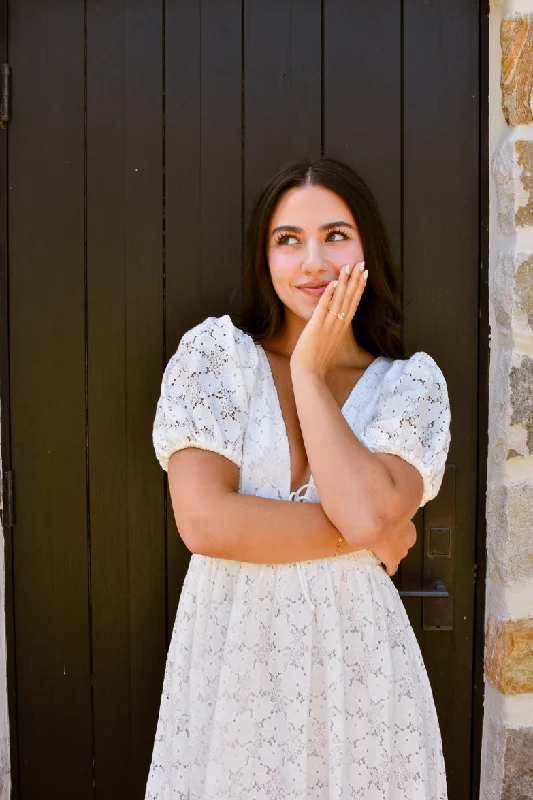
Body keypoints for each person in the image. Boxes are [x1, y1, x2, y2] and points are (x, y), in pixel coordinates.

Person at [144, 156, 451, 800]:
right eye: (289, 240)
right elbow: (205, 522)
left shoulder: (410, 384)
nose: (313, 261)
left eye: (335, 235)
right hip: (233, 668)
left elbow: (368, 513)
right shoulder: (217, 357)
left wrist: (310, 374)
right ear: (265, 257)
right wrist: (367, 535)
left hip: (359, 673)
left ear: (368, 249)